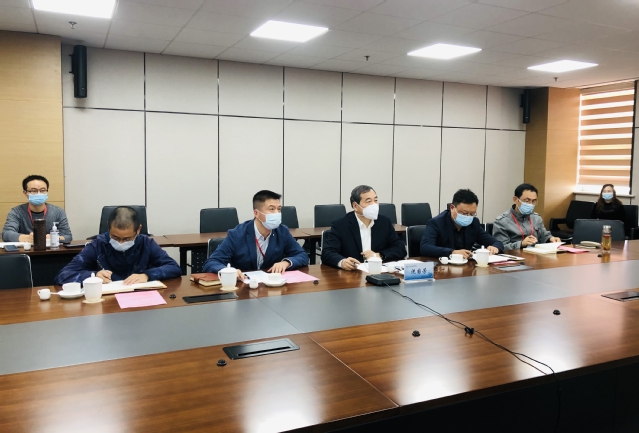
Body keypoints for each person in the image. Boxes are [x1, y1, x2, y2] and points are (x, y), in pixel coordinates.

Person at [54, 207, 180, 285]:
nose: (120, 243)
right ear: (109, 227)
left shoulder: (146, 243)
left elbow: (174, 268)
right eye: (115, 237)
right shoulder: (97, 245)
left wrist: (147, 275)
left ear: (138, 230)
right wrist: (94, 275)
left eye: (127, 239)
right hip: (107, 302)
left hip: (139, 300)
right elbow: (63, 276)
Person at [202, 190, 309, 280]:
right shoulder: (237, 234)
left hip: (270, 286)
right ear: (256, 213)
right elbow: (211, 262)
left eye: (279, 209)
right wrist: (228, 271)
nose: (277, 213)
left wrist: (286, 262)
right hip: (242, 287)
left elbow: (302, 255)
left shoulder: (282, 231)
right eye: (272, 209)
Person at [321, 185, 406, 270]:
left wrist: (379, 255)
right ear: (355, 206)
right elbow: (327, 252)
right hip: (352, 273)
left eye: (375, 200)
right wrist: (342, 262)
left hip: (378, 271)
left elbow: (400, 248)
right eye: (368, 201)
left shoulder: (384, 222)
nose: (374, 205)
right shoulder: (340, 225)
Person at [420, 189, 503, 258]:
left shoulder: (474, 223)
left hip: (466, 267)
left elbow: (497, 243)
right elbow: (425, 248)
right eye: (464, 213)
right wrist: (452, 252)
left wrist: (495, 247)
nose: (468, 217)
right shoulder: (436, 223)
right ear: (452, 208)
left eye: (472, 214)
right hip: (442, 267)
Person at [2, 175, 72, 242]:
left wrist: (54, 238)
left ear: (47, 191)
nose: (39, 193)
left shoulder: (58, 212)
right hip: (26, 249)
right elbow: (6, 234)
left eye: (43, 190)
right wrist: (28, 238)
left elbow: (68, 236)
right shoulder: (16, 212)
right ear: (25, 193)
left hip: (50, 249)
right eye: (34, 191)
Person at [492, 183, 561, 251]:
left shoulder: (536, 218)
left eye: (534, 201)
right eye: (527, 201)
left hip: (536, 255)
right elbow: (501, 247)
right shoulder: (501, 221)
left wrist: (551, 239)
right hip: (516, 255)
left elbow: (544, 235)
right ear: (515, 200)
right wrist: (521, 244)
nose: (530, 204)